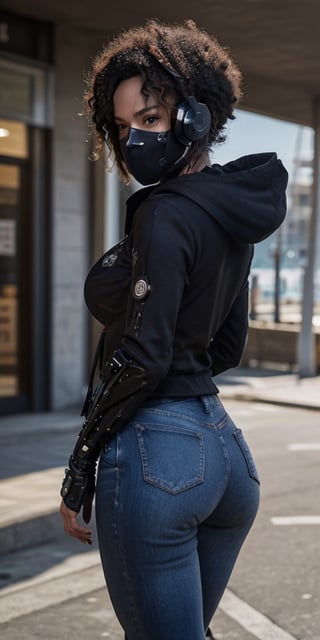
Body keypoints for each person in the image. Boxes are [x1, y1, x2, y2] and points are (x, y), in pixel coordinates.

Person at [60, 19, 288, 640]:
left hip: (158, 460)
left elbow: (142, 354)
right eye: (125, 125)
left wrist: (80, 466)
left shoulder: (164, 213)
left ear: (195, 117)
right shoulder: (230, 207)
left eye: (152, 119)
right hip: (225, 455)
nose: (135, 139)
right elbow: (229, 345)